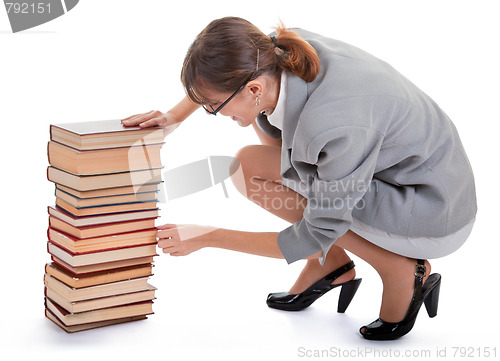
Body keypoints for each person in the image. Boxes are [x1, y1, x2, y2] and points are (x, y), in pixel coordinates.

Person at [121, 17, 477, 340]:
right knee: (254, 163)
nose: (213, 112)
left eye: (212, 105)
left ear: (254, 89)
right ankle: (330, 263)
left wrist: (209, 237)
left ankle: (399, 268)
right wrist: (175, 116)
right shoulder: (275, 50)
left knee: (253, 170)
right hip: (407, 176)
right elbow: (226, 67)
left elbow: (315, 233)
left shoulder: (331, 125)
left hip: (430, 209)